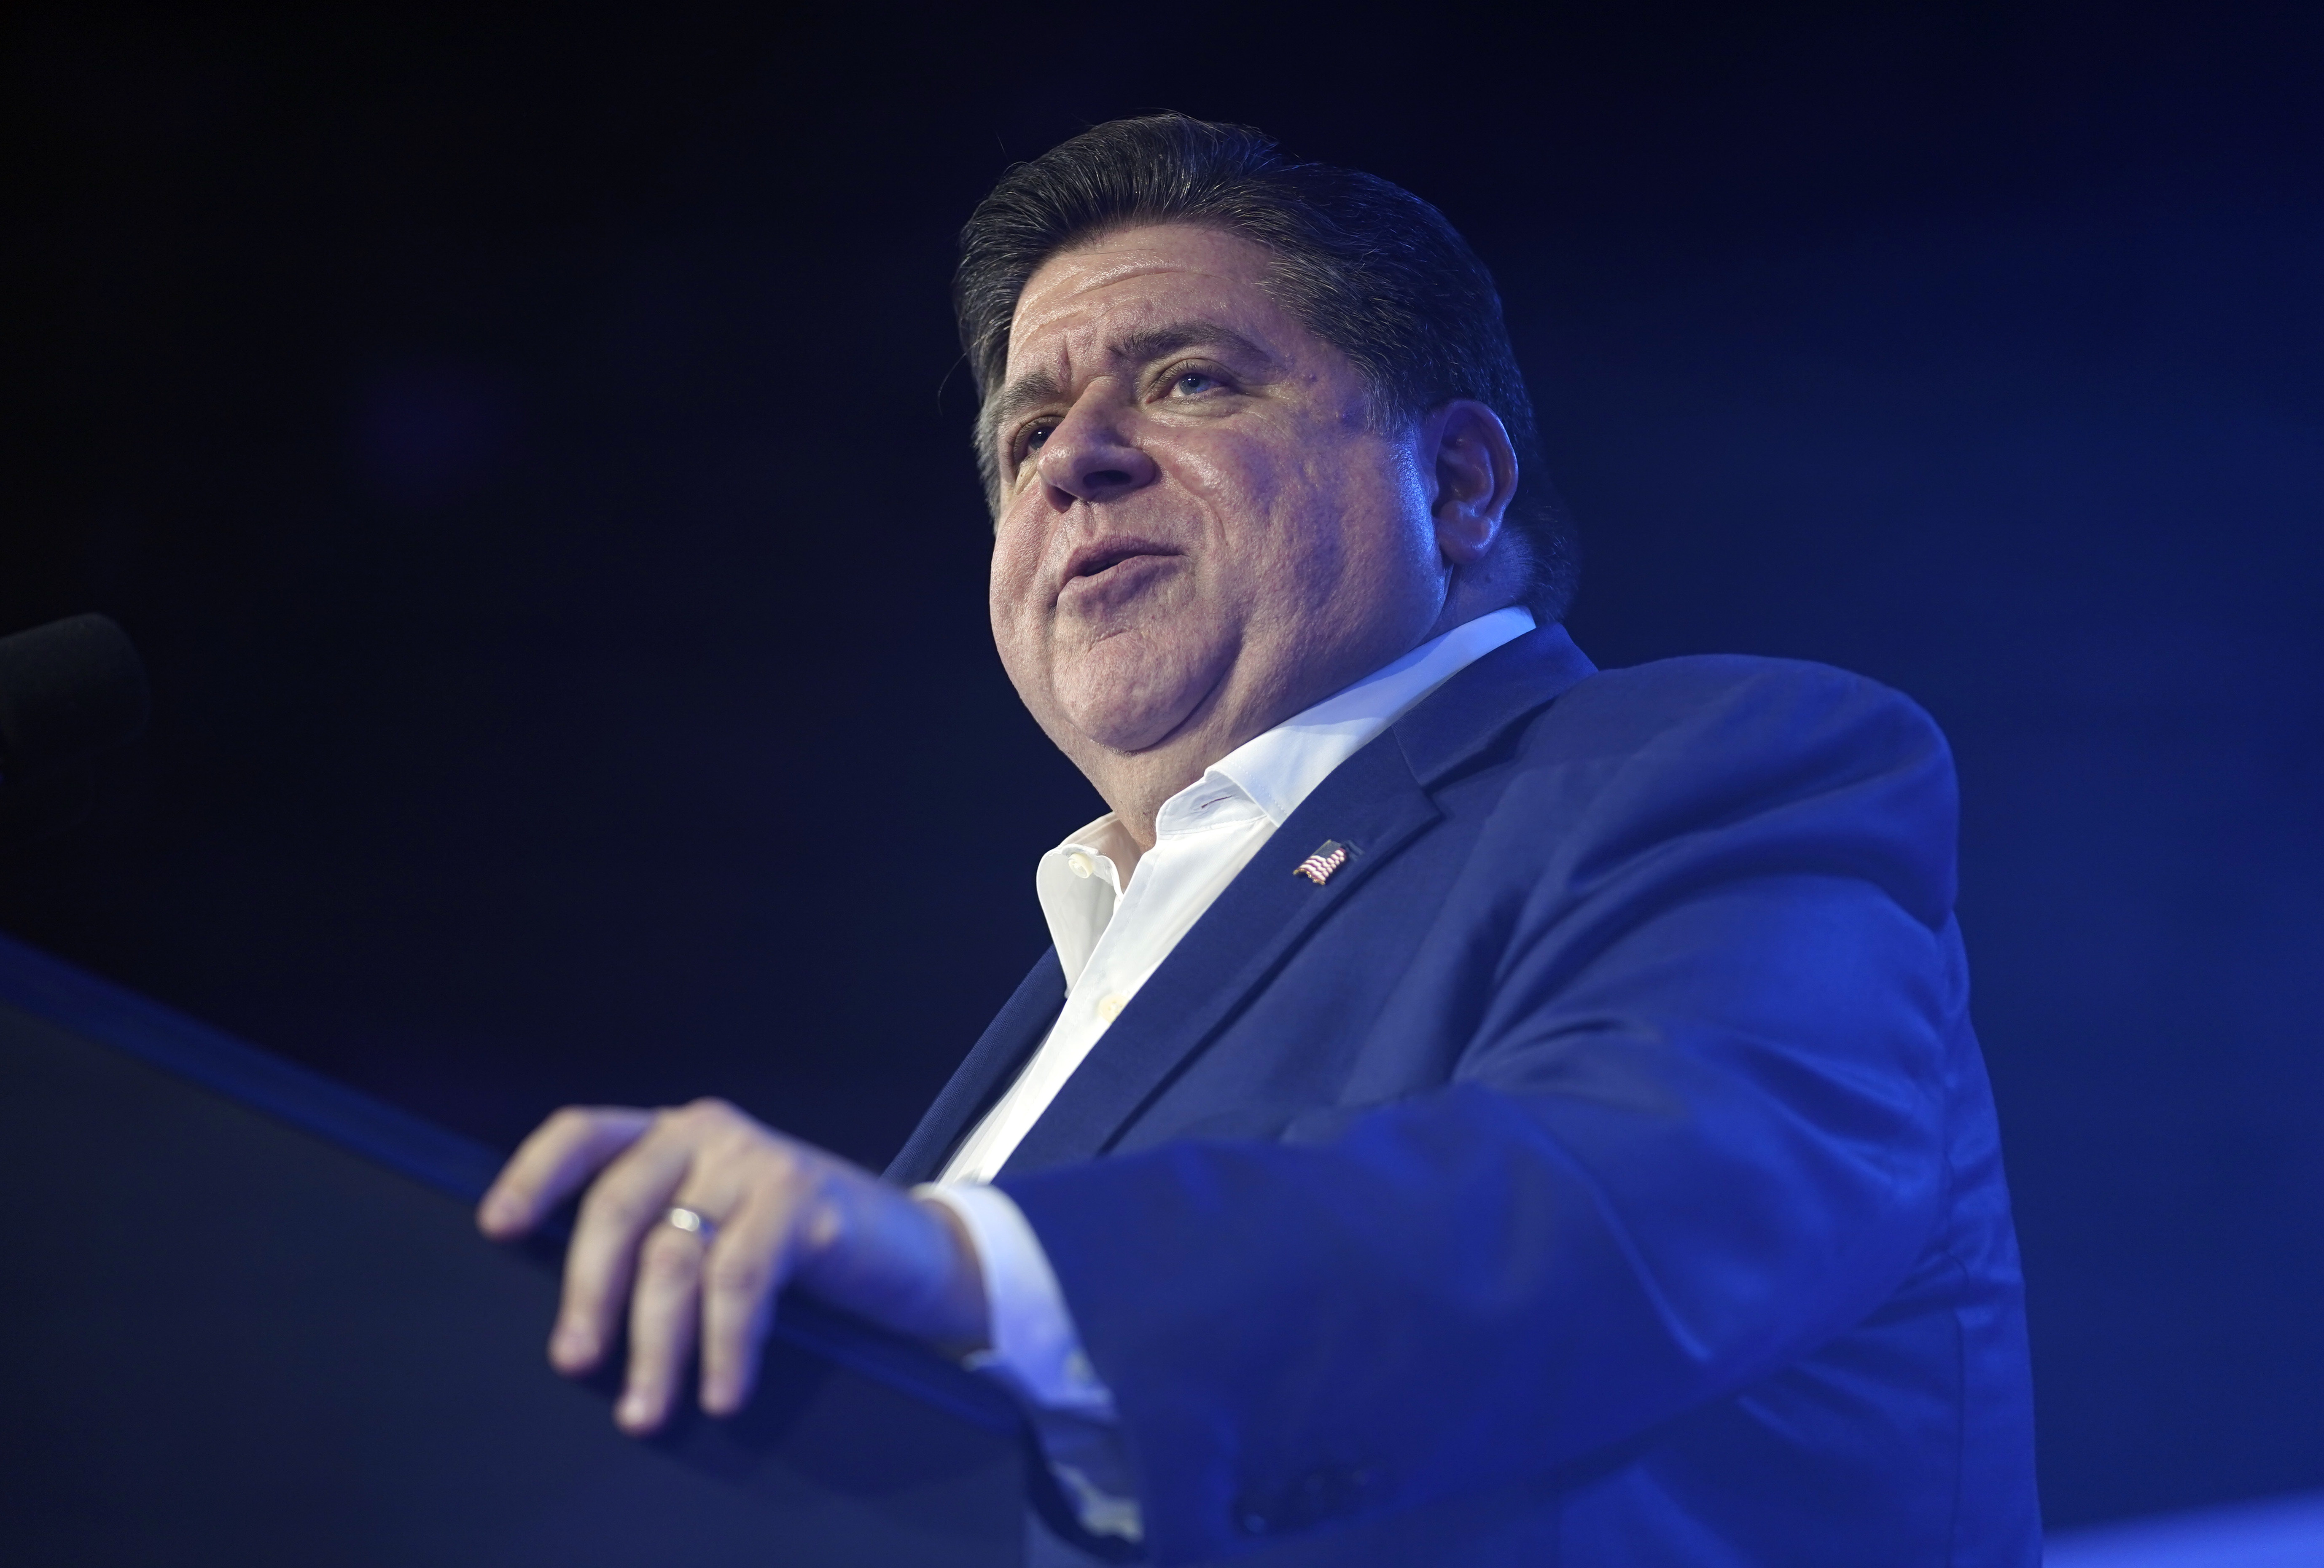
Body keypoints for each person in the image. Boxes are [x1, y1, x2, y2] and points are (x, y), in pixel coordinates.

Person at [476, 114, 2039, 1565]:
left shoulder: (1716, 767)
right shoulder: (1086, 959)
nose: (1070, 460)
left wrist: (964, 1267)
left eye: (1188, 382)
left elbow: (1633, 1197)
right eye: (1026, 434)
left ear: (1458, 482)